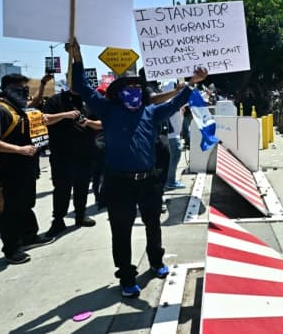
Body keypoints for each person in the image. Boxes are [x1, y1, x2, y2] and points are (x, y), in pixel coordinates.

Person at [68, 39, 208, 298]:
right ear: (117, 93)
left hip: (149, 181)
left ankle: (156, 262)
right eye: (127, 87)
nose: (132, 90)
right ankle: (127, 276)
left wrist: (192, 83)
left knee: (153, 224)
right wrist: (77, 59)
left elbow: (176, 104)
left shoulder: (150, 112)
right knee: (121, 231)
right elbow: (83, 89)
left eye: (136, 87)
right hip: (118, 182)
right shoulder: (108, 110)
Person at [0, 74, 70, 264]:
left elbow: (43, 118)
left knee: (26, 202)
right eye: (19, 88)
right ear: (6, 90)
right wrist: (19, 149)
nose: (24, 92)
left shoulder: (22, 110)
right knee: (11, 208)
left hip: (27, 165)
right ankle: (12, 248)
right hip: (9, 166)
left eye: (25, 88)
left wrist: (64, 115)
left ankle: (29, 236)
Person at [43, 81, 102, 237]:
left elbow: (102, 124)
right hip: (61, 153)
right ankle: (58, 220)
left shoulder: (90, 101)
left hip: (85, 152)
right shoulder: (55, 100)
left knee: (82, 185)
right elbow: (44, 119)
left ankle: (80, 215)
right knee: (62, 188)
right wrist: (64, 115)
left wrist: (88, 122)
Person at [162, 81, 185, 190]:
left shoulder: (170, 102)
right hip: (172, 136)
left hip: (174, 135)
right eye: (176, 87)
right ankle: (170, 181)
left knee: (173, 158)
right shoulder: (170, 103)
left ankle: (170, 180)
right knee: (174, 158)